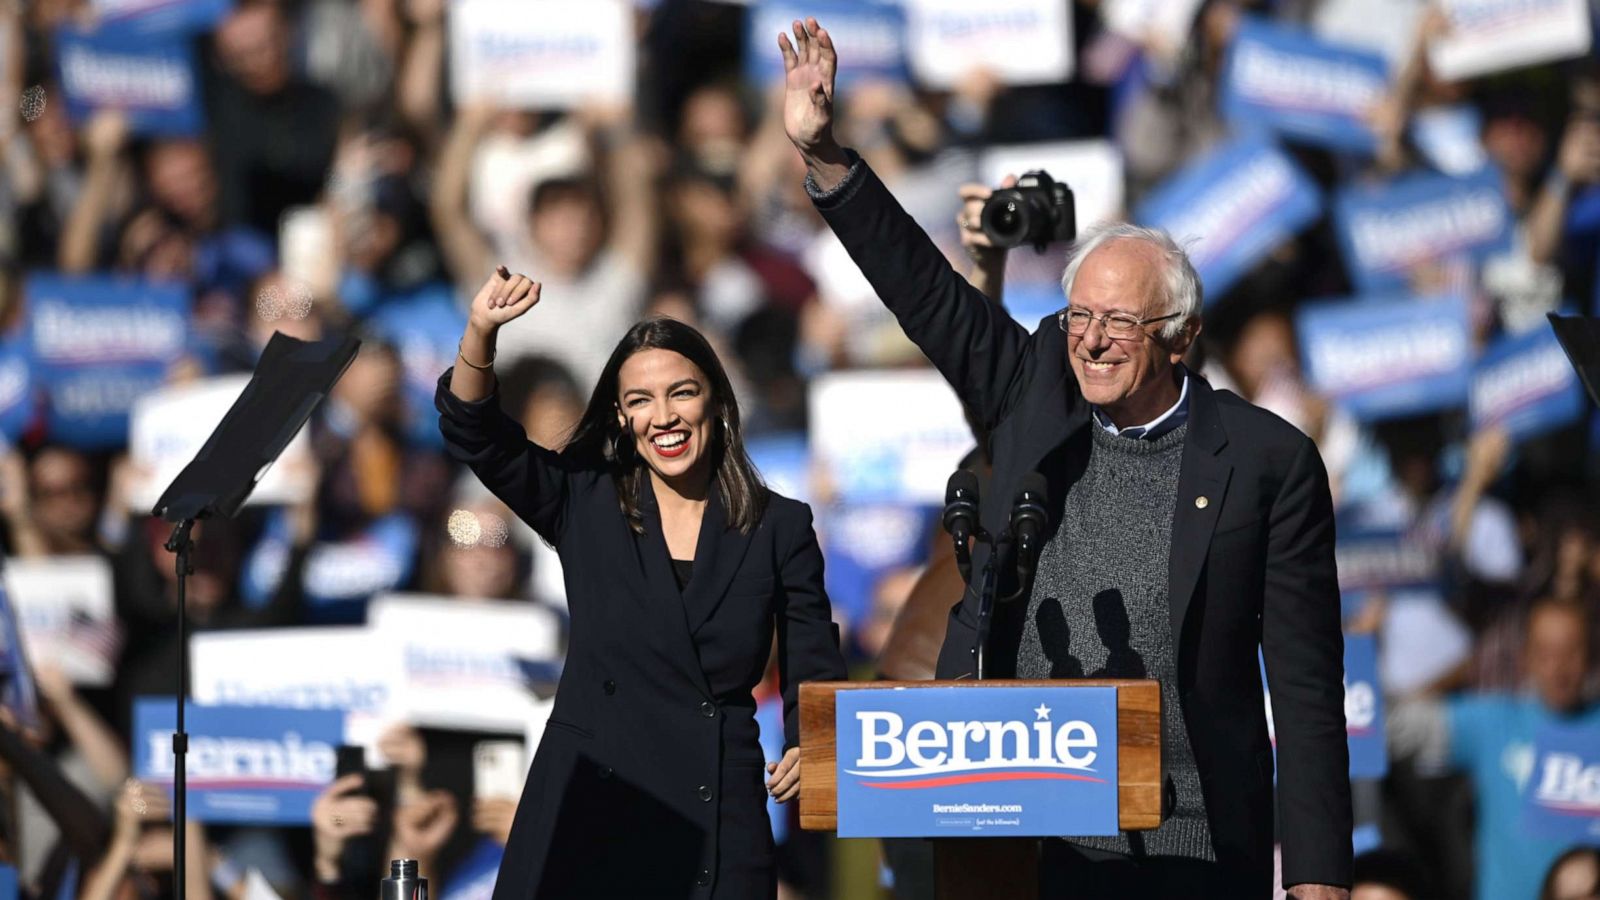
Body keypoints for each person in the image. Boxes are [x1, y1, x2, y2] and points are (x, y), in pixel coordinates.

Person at [776, 18, 1351, 899]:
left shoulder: (1267, 460)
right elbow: (922, 292)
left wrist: (1317, 881)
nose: (1090, 342)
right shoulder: (1036, 384)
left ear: (1182, 338)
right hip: (1032, 840)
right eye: (1079, 318)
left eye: (1119, 323)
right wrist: (826, 157)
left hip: (1195, 843)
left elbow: (1308, 692)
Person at [435, 267, 847, 898]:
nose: (665, 418)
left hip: (717, 807)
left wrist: (814, 745)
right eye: (640, 401)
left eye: (681, 393)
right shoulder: (583, 498)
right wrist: (481, 332)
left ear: (717, 401)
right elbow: (475, 433)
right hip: (593, 802)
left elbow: (813, 664)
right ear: (621, 417)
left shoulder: (779, 526)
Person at [1389, 597, 1600, 900]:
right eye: (1546, 653)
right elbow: (1394, 727)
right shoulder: (1493, 721)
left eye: (1571, 652)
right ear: (1525, 657)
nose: (1558, 667)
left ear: (1591, 654)